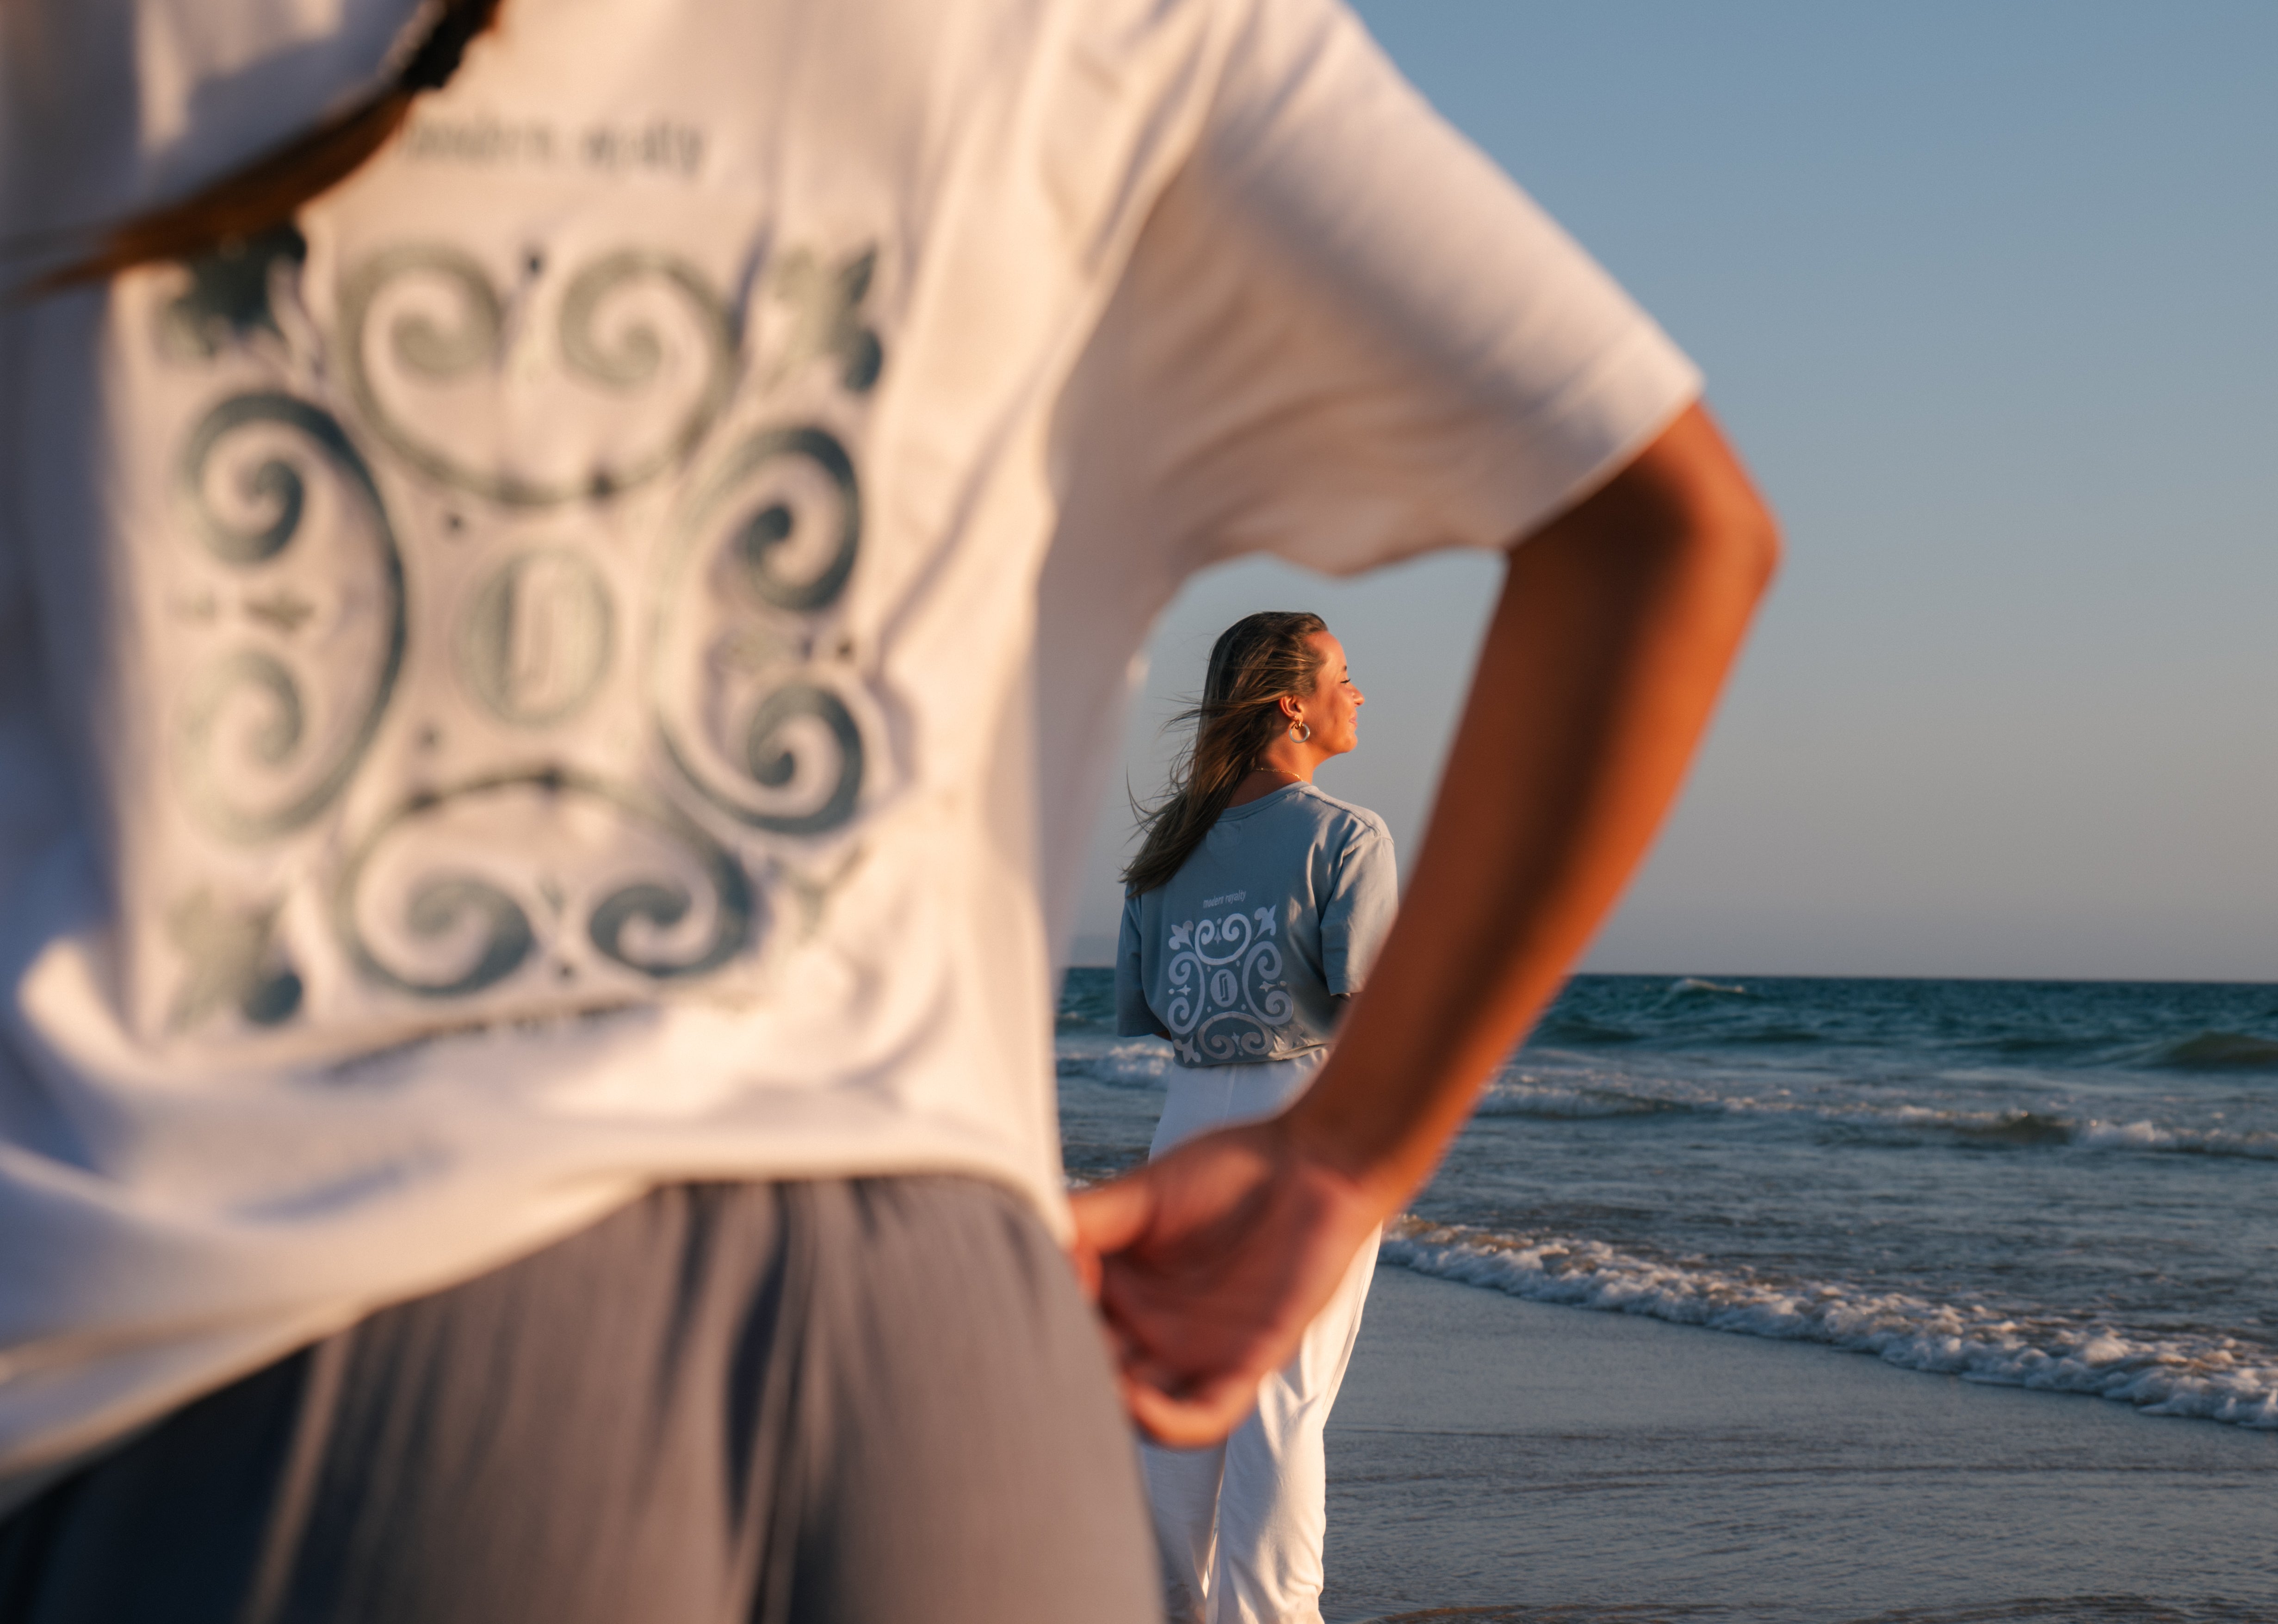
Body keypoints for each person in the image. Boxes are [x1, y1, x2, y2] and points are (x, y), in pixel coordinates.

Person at [0, 0, 1777, 1617]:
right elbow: (1668, 530)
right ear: (1296, 700)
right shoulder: (1114, 32)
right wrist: (1349, 1154)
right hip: (949, 1375)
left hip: (277, 1339)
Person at [1114, 611, 1390, 1623]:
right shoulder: (1346, 836)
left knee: (1186, 1393)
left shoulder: (1163, 855)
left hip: (1186, 1127)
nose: (1357, 694)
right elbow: (1373, 1017)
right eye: (1343, 676)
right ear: (1292, 704)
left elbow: (1150, 1010)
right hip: (1302, 1121)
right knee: (1285, 1396)